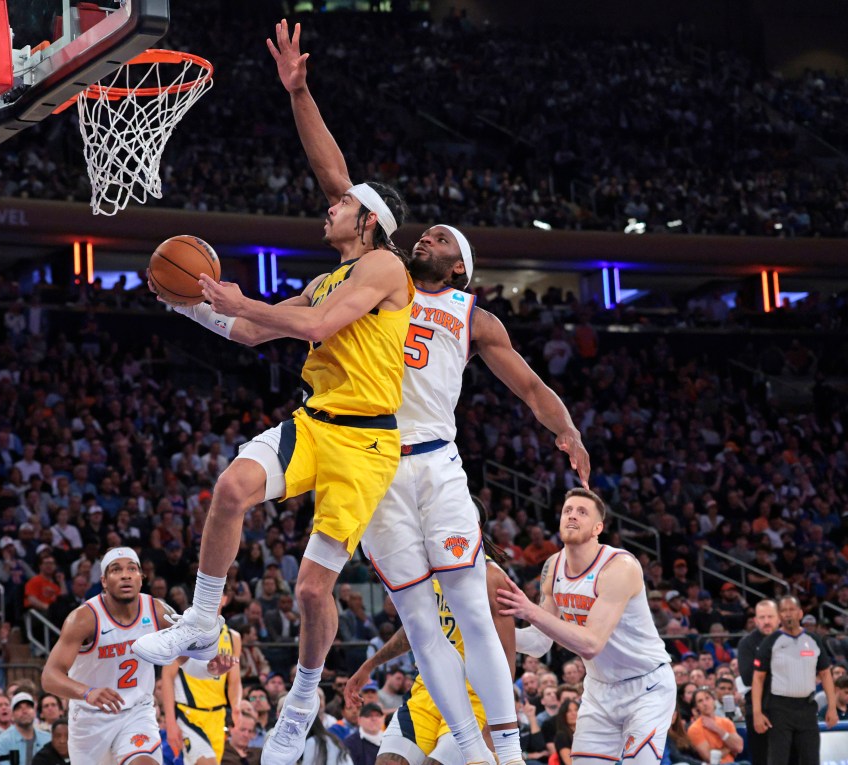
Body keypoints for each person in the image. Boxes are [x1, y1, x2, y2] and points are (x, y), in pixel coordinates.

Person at [270, 20, 589, 765]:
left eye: (443, 238)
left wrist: (566, 432)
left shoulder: (473, 315)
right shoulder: (390, 278)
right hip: (373, 458)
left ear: (464, 265)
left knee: (472, 609)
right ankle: (474, 748)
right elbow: (337, 183)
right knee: (417, 618)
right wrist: (301, 93)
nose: (429, 239)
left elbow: (534, 386)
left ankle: (504, 751)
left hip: (437, 461)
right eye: (427, 233)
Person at [135, 22, 415, 765]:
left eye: (343, 205)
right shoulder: (334, 268)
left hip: (365, 443)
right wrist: (192, 304)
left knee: (312, 593)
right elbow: (257, 335)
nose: (328, 206)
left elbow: (314, 323)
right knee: (230, 488)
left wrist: (242, 298)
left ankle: (305, 690)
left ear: (370, 224)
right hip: (313, 421)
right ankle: (200, 617)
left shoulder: (385, 272)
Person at [497, 489, 676, 763]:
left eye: (582, 512)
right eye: (567, 510)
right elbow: (538, 643)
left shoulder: (620, 566)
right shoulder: (553, 566)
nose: (572, 515)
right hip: (598, 689)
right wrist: (494, 630)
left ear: (598, 528)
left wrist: (530, 611)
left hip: (646, 686)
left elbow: (591, 644)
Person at [345, 524, 516, 765]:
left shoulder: (491, 575)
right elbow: (414, 630)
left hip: (474, 697)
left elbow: (508, 656)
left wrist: (496, 722)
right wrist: (370, 665)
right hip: (427, 690)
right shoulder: (431, 570)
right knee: (387, 761)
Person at [42, 547, 229, 765]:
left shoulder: (158, 611)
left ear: (141, 577)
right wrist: (87, 692)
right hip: (90, 718)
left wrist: (209, 669)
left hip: (137, 713)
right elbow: (49, 677)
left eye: (132, 568)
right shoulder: (84, 619)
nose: (125, 574)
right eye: (116, 569)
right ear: (104, 581)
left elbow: (187, 663)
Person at [752, 596, 838, 765]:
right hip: (779, 709)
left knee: (811, 759)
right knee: (778, 760)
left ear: (800, 613)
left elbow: (826, 674)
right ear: (779, 615)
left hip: (807, 707)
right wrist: (757, 713)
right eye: (784, 610)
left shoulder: (813, 640)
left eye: (792, 610)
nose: (788, 614)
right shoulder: (771, 641)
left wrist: (832, 707)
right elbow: (758, 678)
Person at [162, 597, 243, 765]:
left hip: (217, 716)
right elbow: (167, 676)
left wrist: (236, 706)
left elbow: (235, 681)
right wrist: (170, 722)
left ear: (225, 599)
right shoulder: (184, 632)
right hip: (188, 714)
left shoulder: (232, 637)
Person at [735, 598, 778, 765]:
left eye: (770, 616)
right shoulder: (747, 643)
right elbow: (747, 677)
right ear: (755, 620)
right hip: (759, 712)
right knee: (763, 760)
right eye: (762, 617)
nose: (766, 621)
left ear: (779, 618)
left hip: (788, 711)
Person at [686, 689, 745, 763]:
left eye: (707, 698)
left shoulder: (726, 722)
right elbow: (710, 758)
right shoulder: (694, 728)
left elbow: (739, 747)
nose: (705, 703)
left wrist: (717, 729)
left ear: (714, 701)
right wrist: (730, 747)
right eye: (700, 701)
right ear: (696, 707)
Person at [0, 693, 51, 765]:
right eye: (18, 708)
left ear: (34, 712)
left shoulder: (48, 739)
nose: (24, 711)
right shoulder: (0, 743)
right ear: (12, 715)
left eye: (28, 707)